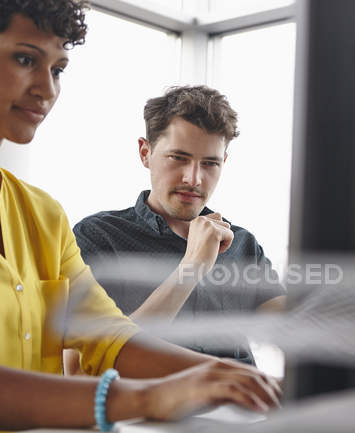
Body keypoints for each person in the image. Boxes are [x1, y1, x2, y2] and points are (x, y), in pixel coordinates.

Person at [0, 1, 280, 432]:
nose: (47, 89)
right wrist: (157, 394)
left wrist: (231, 378)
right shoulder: (96, 233)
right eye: (26, 60)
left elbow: (110, 338)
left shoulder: (42, 215)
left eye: (58, 69)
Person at [70, 86, 286, 364]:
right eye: (178, 158)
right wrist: (191, 268)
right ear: (145, 153)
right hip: (150, 406)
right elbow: (79, 368)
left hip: (239, 406)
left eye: (210, 163)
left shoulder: (243, 244)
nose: (194, 178)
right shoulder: (98, 237)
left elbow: (292, 333)